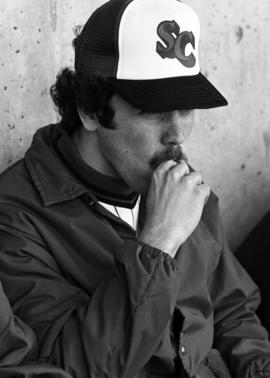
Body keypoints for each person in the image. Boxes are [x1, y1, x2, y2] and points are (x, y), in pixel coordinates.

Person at [0, 0, 270, 377]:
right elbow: (77, 365)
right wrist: (157, 243)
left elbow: (233, 311)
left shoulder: (178, 179)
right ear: (90, 111)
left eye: (188, 109)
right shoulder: (17, 216)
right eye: (156, 111)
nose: (177, 134)